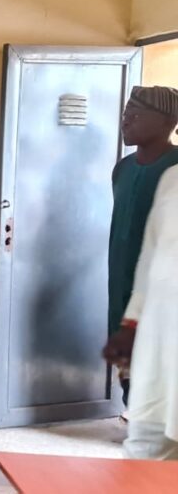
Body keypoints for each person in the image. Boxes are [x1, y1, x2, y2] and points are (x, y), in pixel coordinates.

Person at [107, 86, 178, 407]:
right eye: (125, 114)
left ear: (167, 122)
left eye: (136, 115)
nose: (126, 121)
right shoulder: (123, 168)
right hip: (123, 281)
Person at [103, 164, 178, 460]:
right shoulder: (172, 178)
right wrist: (130, 326)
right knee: (146, 448)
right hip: (161, 333)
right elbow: (150, 258)